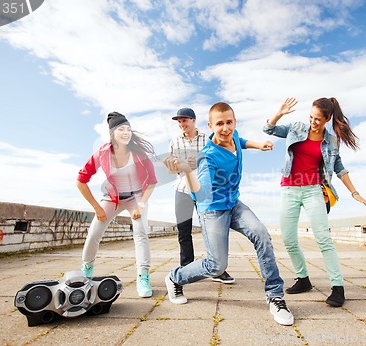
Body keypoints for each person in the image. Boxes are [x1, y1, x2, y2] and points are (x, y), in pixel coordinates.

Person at [163, 102, 294, 326]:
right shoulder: (208, 156)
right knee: (216, 265)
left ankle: (275, 296)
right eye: (220, 124)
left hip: (233, 203)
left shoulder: (233, 137)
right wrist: (186, 171)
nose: (225, 128)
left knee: (261, 233)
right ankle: (175, 277)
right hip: (212, 208)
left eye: (229, 122)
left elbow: (240, 142)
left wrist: (259, 144)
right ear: (210, 126)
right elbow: (202, 192)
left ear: (234, 122)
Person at [263, 97, 366, 307]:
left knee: (323, 239)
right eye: (311, 117)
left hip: (314, 190)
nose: (313, 122)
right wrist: (280, 113)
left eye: (318, 119)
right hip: (289, 189)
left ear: (328, 119)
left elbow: (339, 168)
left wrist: (355, 192)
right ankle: (303, 279)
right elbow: (268, 129)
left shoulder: (331, 141)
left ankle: (338, 287)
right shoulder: (295, 128)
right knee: (289, 239)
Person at [76, 112, 158, 298]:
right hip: (112, 198)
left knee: (140, 232)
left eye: (128, 129)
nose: (126, 132)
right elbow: (81, 181)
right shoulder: (102, 153)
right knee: (94, 232)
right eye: (121, 129)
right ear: (112, 133)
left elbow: (152, 182)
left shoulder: (139, 154)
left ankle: (143, 275)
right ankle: (86, 269)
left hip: (136, 198)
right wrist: (97, 208)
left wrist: (141, 206)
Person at [169, 107, 234, 284]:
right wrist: (176, 165)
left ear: (193, 121)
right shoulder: (174, 141)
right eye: (179, 121)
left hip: (205, 189)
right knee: (183, 231)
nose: (181, 124)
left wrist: (199, 160)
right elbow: (171, 169)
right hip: (182, 188)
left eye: (184, 120)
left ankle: (218, 270)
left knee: (212, 229)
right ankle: (187, 270)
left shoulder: (208, 138)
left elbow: (220, 158)